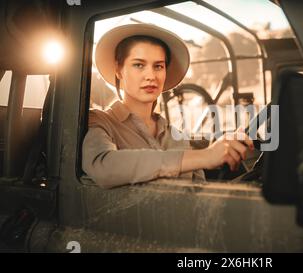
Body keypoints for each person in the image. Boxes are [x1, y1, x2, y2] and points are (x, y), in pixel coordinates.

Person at [82, 24, 253, 188]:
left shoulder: (175, 136)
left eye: (158, 66)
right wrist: (207, 155)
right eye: (139, 65)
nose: (151, 76)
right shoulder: (100, 122)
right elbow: (103, 166)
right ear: (119, 70)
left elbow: (198, 191)